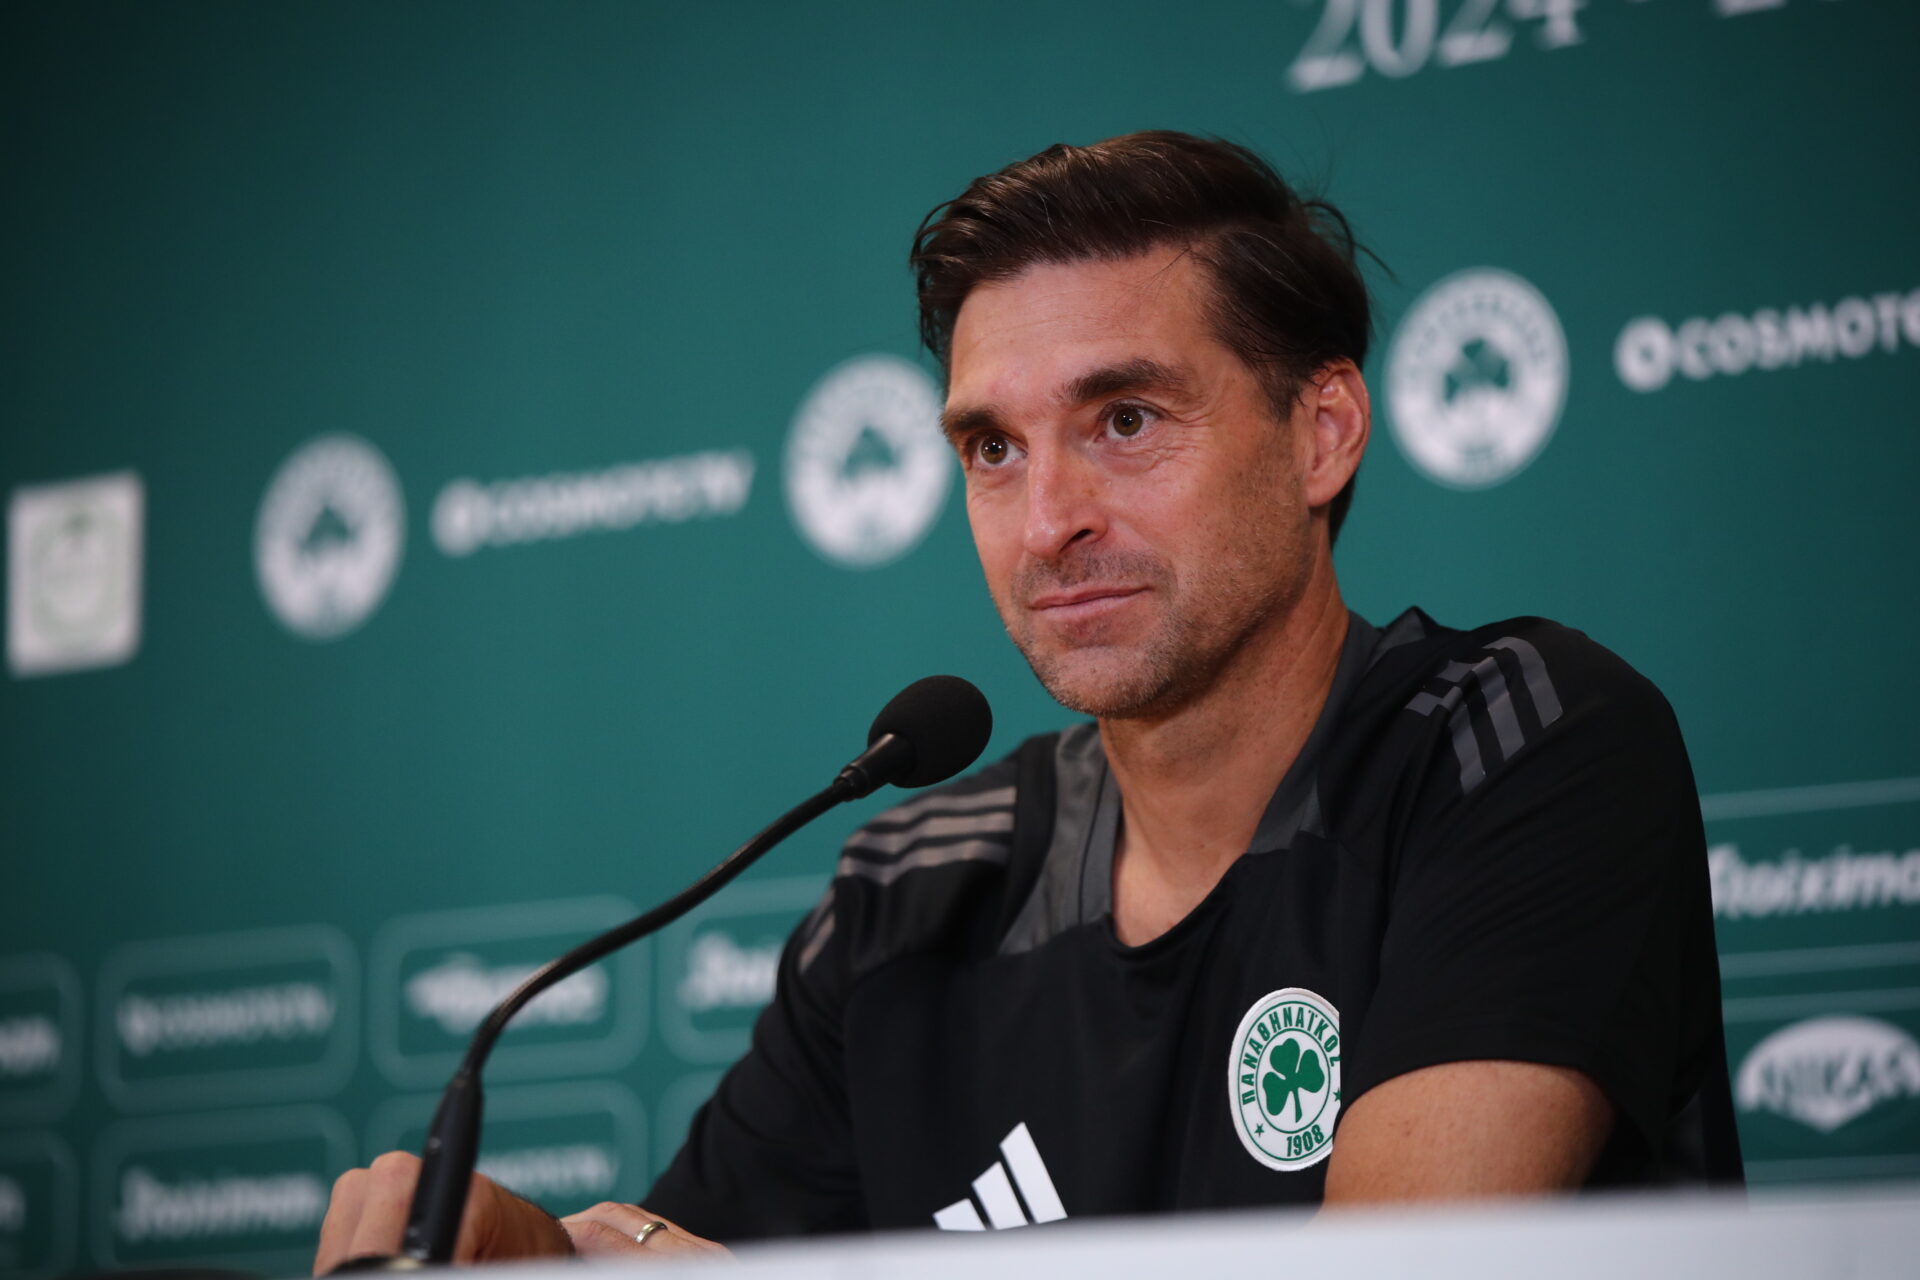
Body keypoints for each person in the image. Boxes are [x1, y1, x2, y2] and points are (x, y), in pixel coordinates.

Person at [312, 131, 1740, 1271]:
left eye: (1126, 420)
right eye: (993, 448)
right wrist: (538, 1259)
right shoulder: (917, 890)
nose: (1049, 520)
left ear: (1322, 433)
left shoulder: (1519, 744)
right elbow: (691, 1254)